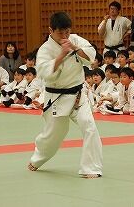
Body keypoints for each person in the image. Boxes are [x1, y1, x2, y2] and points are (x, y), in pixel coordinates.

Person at [28, 11, 103, 178]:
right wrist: (62, 54)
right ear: (50, 31)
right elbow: (45, 73)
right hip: (56, 97)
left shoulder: (75, 39)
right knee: (54, 135)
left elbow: (91, 57)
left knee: (89, 125)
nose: (64, 35)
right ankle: (37, 158)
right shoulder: (45, 50)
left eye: (67, 31)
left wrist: (75, 49)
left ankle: (91, 168)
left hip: (77, 94)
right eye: (60, 32)